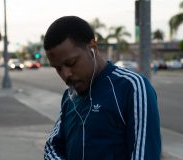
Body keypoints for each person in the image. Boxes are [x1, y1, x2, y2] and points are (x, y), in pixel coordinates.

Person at [43, 16, 161, 160]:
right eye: (58, 68)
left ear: (92, 48)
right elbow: (52, 146)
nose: (66, 74)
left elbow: (144, 155)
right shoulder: (70, 96)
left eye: (71, 63)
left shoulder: (132, 87)